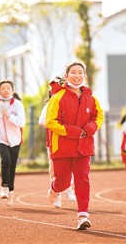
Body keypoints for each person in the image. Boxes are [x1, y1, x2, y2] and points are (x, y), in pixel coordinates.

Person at [45, 62, 104, 230]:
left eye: (80, 72)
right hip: (62, 148)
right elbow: (50, 121)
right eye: (73, 72)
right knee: (63, 183)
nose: (77, 75)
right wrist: (72, 131)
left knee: (82, 179)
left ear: (84, 75)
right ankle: (55, 188)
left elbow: (98, 117)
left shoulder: (91, 98)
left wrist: (89, 129)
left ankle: (83, 215)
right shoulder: (57, 97)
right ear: (66, 75)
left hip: (83, 147)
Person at [38, 79, 76, 208]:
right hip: (53, 142)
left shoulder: (72, 103)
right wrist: (55, 125)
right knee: (54, 169)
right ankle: (57, 193)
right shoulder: (49, 105)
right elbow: (42, 121)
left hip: (69, 140)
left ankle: (69, 188)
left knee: (70, 165)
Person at [0, 80, 26, 205]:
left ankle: (11, 192)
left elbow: (21, 122)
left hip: (15, 139)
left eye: (8, 88)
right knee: (6, 160)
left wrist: (8, 115)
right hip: (0, 138)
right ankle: (4, 187)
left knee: (13, 166)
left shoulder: (18, 104)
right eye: (3, 88)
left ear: (12, 90)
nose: (5, 90)